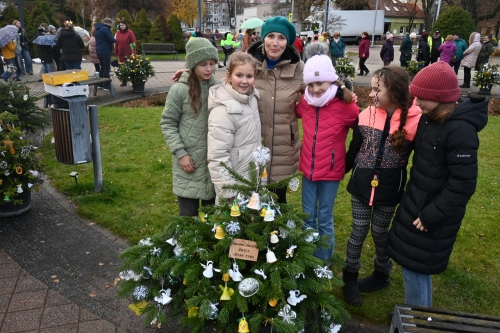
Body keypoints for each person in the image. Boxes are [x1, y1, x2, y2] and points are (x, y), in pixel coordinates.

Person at [387, 61, 488, 307]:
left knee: (416, 269)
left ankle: (417, 320)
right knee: (416, 268)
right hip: (416, 205)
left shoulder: (460, 131)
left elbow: (463, 184)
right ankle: (416, 315)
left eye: (421, 98)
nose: (416, 102)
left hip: (430, 218)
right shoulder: (429, 119)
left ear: (440, 97)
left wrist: (431, 215)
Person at [342, 66, 422, 306]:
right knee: (358, 231)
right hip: (361, 185)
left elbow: (421, 161)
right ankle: (350, 278)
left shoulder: (415, 119)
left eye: (378, 89)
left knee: (380, 232)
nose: (371, 93)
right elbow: (354, 149)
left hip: (389, 189)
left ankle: (381, 273)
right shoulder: (366, 114)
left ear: (395, 92)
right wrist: (338, 172)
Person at [296, 43, 359, 262]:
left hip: (331, 172)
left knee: (324, 217)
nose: (315, 89)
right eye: (311, 84)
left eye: (320, 83)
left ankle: (322, 260)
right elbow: (292, 109)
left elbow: (362, 127)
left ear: (331, 80)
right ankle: (307, 257)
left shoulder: (346, 106)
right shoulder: (305, 102)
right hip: (308, 169)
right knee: (307, 216)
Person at [245, 16, 305, 203]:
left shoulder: (298, 69)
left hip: (283, 147)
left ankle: (280, 233)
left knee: (278, 201)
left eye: (281, 37)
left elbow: (321, 87)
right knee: (251, 203)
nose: (275, 43)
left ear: (288, 42)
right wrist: (193, 74)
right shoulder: (249, 65)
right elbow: (227, 82)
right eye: (271, 36)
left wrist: (343, 91)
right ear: (263, 38)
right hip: (252, 143)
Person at [160, 38, 220, 216]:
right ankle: (186, 244)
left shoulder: (218, 88)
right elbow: (168, 122)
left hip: (213, 162)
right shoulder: (179, 90)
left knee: (214, 218)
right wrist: (181, 153)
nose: (209, 69)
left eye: (212, 63)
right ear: (192, 65)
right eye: (203, 64)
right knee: (188, 217)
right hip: (189, 163)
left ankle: (208, 245)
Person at [207, 52, 261, 204]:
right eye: (239, 75)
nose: (244, 81)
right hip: (234, 186)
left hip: (252, 179)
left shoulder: (252, 98)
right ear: (229, 76)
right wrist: (228, 190)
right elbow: (217, 156)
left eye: (249, 76)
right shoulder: (223, 110)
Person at [95, 18, 116, 91]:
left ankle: (100, 84)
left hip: (99, 51)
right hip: (105, 50)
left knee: (102, 68)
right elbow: (111, 39)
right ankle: (107, 86)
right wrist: (116, 40)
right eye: (110, 24)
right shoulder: (105, 29)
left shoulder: (97, 29)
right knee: (106, 68)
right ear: (108, 23)